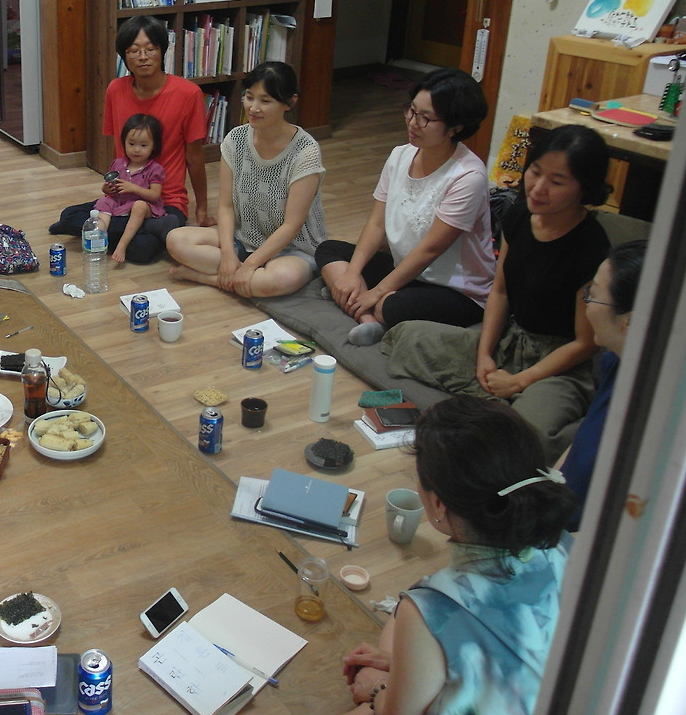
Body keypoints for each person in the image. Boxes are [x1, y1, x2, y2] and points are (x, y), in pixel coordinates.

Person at [203, 396, 575, 715]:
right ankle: (373, 712)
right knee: (402, 615)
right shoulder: (569, 547)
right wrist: (400, 668)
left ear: (438, 505)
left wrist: (378, 688)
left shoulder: (434, 606)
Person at [383, 125, 612, 456]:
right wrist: (484, 355)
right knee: (407, 337)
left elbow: (585, 343)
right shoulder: (520, 213)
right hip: (510, 341)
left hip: (558, 362)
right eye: (535, 172)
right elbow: (500, 292)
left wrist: (520, 380)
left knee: (527, 438)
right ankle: (500, 400)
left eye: (557, 182)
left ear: (584, 188)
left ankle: (550, 412)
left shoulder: (590, 246)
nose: (538, 188)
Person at [315, 67, 495, 346]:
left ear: (456, 127)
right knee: (329, 250)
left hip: (455, 289)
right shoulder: (400, 155)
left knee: (393, 305)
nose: (412, 122)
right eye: (411, 111)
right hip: (404, 270)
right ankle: (367, 316)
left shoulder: (467, 176)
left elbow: (430, 250)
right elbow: (376, 223)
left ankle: (357, 301)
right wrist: (351, 273)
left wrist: (377, 292)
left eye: (425, 118)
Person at [50, 15, 211, 263]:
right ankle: (137, 230)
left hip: (165, 200)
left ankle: (103, 232)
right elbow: (118, 150)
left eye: (150, 49)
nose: (143, 57)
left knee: (141, 251)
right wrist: (111, 186)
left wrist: (201, 208)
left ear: (162, 50)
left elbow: (195, 157)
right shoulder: (116, 89)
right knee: (69, 215)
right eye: (134, 51)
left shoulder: (188, 94)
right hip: (124, 198)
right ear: (124, 56)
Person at [166, 61, 326, 298]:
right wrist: (228, 255)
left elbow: (291, 226)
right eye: (249, 97)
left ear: (289, 103)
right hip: (244, 237)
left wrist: (249, 265)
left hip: (292, 247)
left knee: (281, 279)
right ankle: (241, 278)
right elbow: (225, 206)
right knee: (175, 240)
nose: (253, 108)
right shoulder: (236, 140)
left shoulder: (305, 151)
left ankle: (207, 278)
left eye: (265, 101)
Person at [558, 238, 648, 530]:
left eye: (593, 295)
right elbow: (582, 441)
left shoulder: (658, 414)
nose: (586, 303)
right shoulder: (616, 361)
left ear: (629, 321)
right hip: (556, 515)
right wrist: (546, 485)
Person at [95, 114, 166, 264]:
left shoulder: (155, 169)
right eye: (131, 144)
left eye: (143, 145)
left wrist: (133, 188)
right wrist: (107, 189)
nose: (136, 150)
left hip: (144, 205)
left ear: (154, 146)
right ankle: (99, 240)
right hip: (120, 202)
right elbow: (108, 190)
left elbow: (155, 195)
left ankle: (122, 245)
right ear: (124, 142)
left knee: (139, 206)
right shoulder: (118, 163)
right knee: (103, 202)